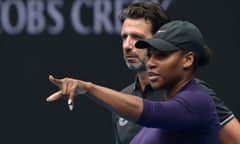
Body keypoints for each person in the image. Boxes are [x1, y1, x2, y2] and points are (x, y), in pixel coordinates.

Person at [46, 20, 220, 143]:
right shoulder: (159, 122)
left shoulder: (198, 100)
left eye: (162, 55)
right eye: (150, 54)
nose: (151, 62)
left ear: (187, 60)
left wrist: (88, 88)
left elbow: (152, 113)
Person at [113, 2, 240, 144]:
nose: (127, 46)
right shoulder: (123, 97)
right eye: (124, 37)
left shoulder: (193, 94)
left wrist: (89, 88)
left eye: (137, 37)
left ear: (158, 41)